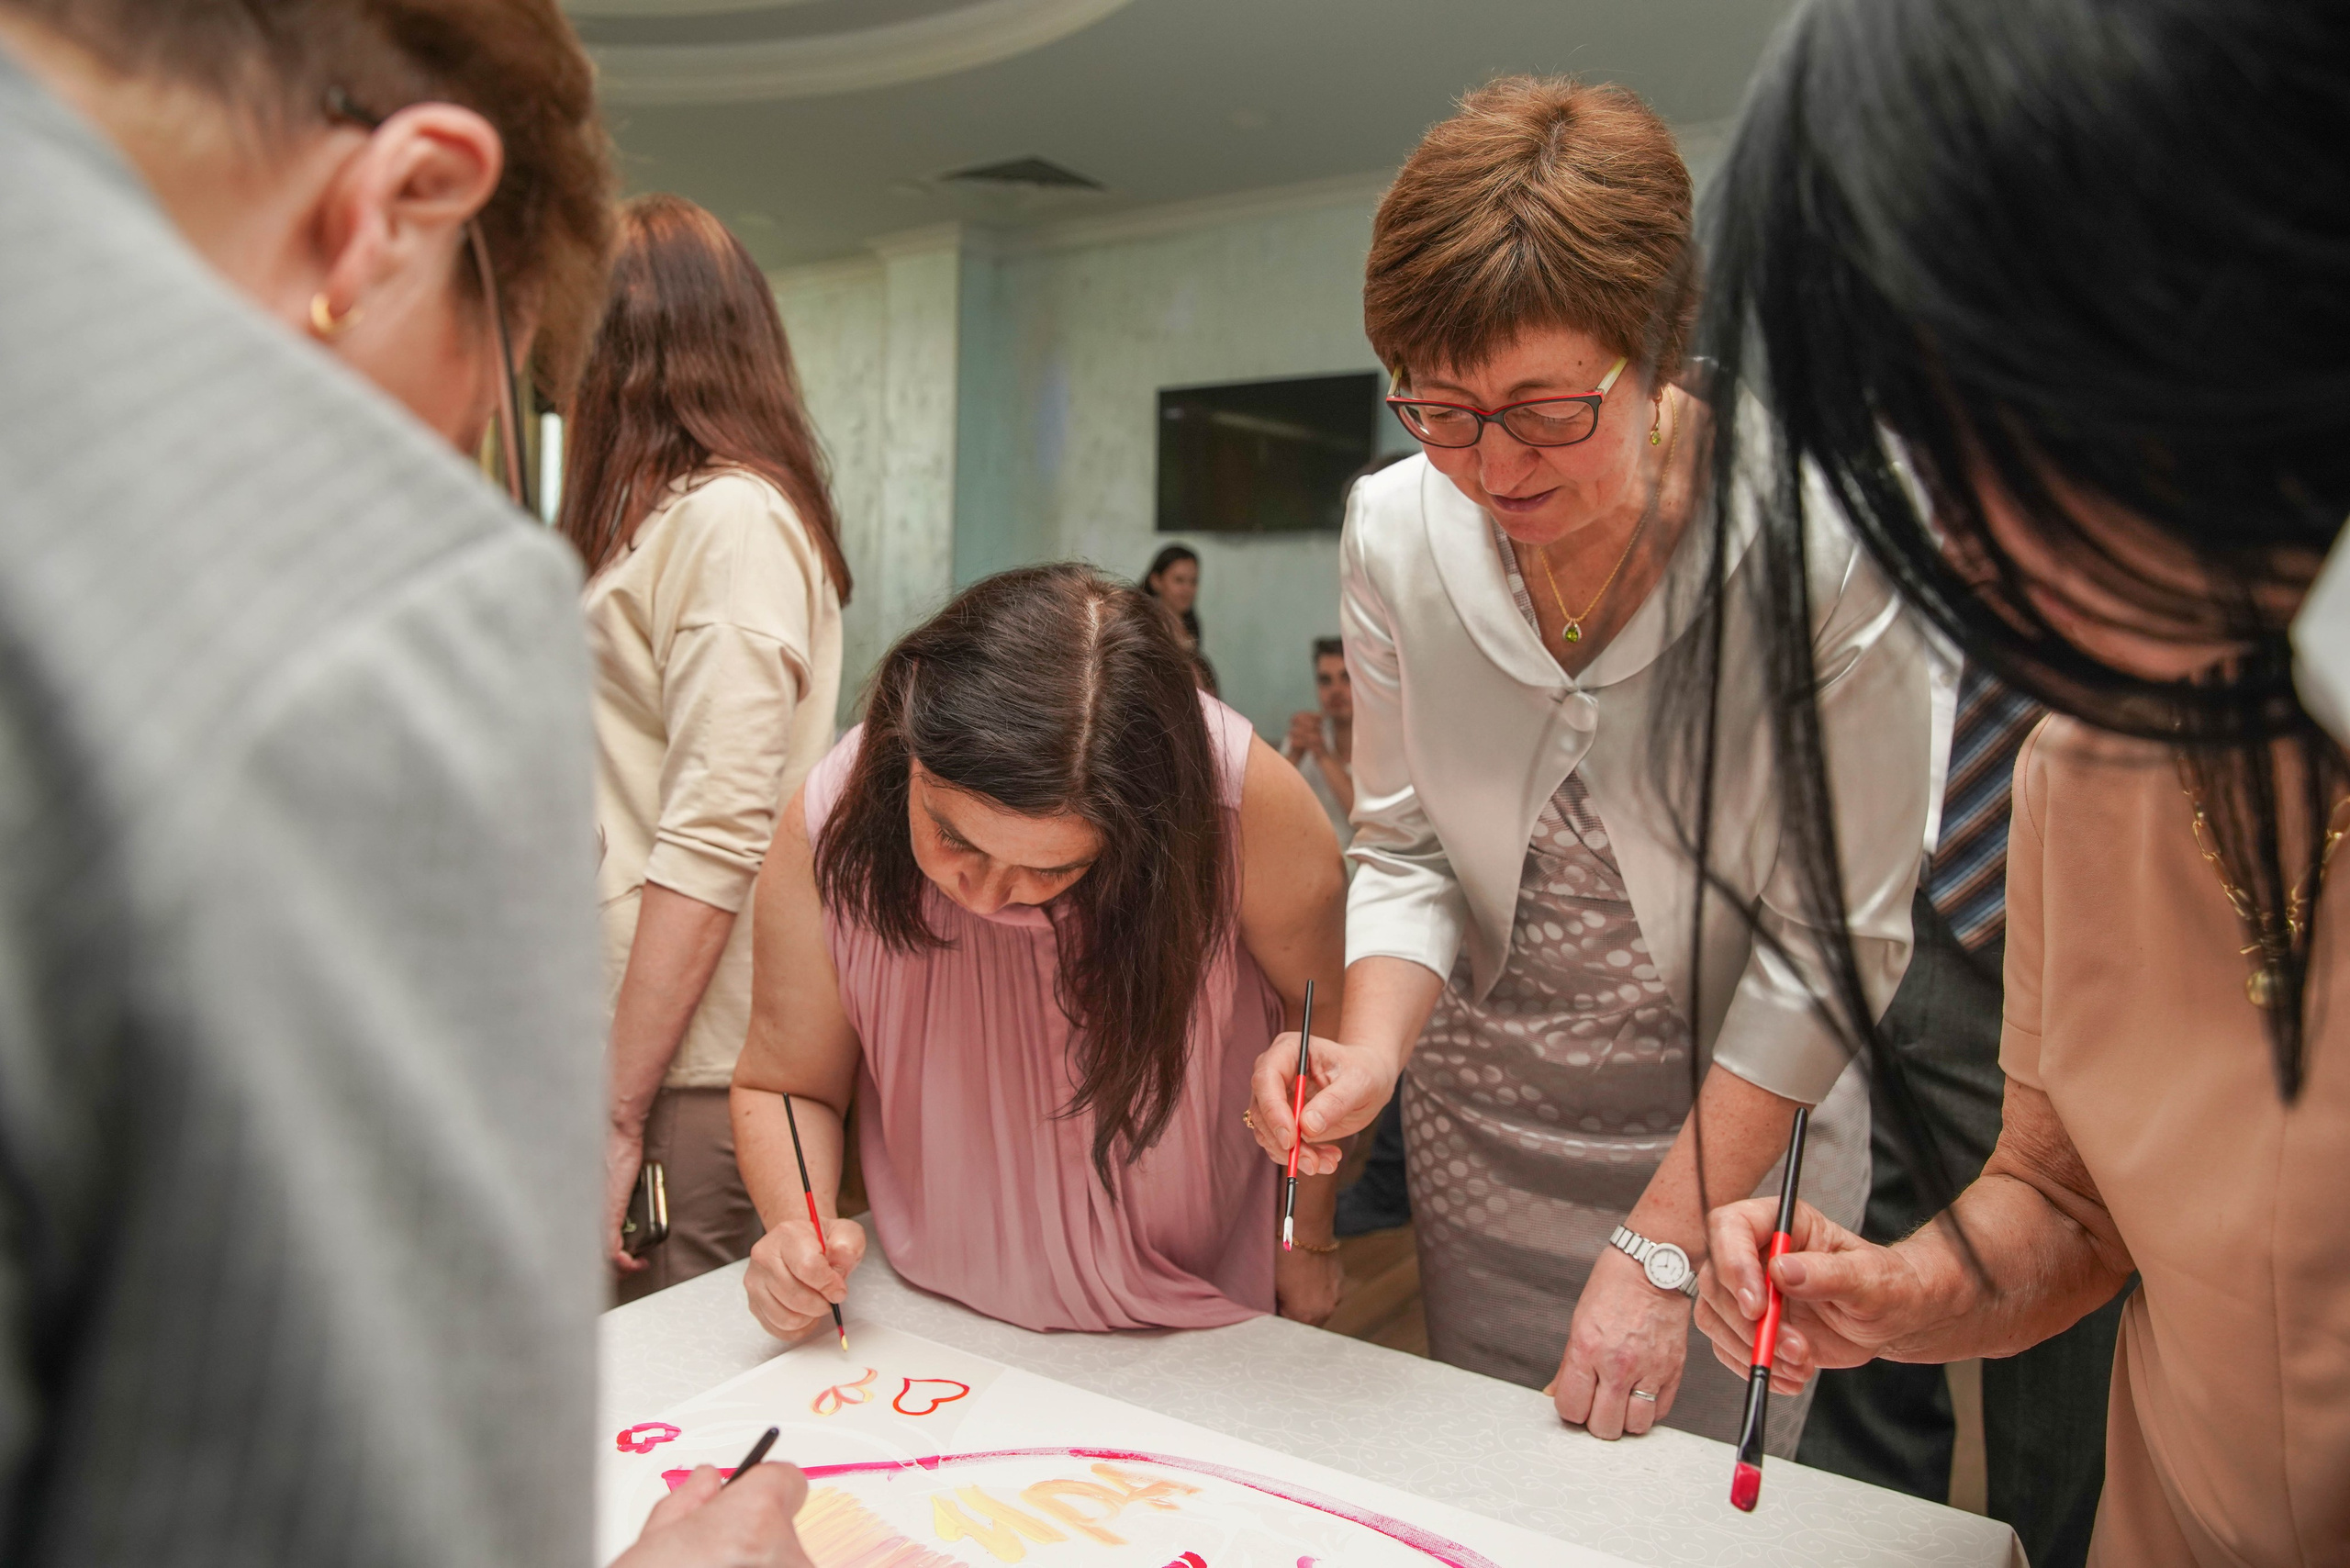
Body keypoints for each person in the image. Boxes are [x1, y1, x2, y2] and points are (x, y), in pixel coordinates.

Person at [0, 2, 809, 1563]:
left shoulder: (732, 523)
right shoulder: (381, 594)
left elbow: (712, 821)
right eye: (480, 405)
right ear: (404, 204)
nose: (455, 476)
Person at [1684, 2, 2350, 1563]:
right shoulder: (2082, 760)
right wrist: (1903, 1290)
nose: (1951, 533)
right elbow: (2065, 1194)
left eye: (1977, 419)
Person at [1246, 76, 1939, 1452]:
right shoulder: (1394, 530)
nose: (1492, 465)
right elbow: (1404, 845)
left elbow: (1834, 940)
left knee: (1696, 1508)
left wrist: (1667, 1241)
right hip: (1486, 1116)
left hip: (1740, 1117)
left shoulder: (1830, 534)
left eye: (1546, 408)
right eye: (1439, 411)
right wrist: (1372, 1051)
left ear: (1660, 348)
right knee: (1501, 1485)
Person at [731, 566, 1348, 1339]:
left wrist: (1310, 1232)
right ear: (905, 749)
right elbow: (788, 1085)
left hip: (1206, 1304)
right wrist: (797, 1231)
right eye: (952, 836)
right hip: (939, 1313)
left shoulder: (1243, 805)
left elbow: (1320, 1036)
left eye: (1052, 869)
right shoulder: (834, 820)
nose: (984, 898)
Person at [559, 194, 852, 1304]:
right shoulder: (663, 519)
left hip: (688, 1062)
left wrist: (620, 1108)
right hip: (635, 1044)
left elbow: (713, 831)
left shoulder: (731, 524)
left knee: (675, 1406)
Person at [1796, 662, 2124, 1568]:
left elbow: (2072, 1210)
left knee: (2070, 1396)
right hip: (1852, 867)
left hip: (2061, 904)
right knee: (1848, 1316)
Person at [1284, 637, 1355, 851]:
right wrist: (1295, 754)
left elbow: (1368, 821)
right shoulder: (1307, 736)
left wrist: (1323, 756)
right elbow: (1265, 802)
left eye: (1346, 678)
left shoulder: (1387, 742)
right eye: (1325, 681)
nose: (1335, 690)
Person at [1143, 542, 1203, 649]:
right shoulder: (1142, 624)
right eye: (1179, 580)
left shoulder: (1191, 625)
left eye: (1193, 581)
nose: (1187, 589)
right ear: (1156, 581)